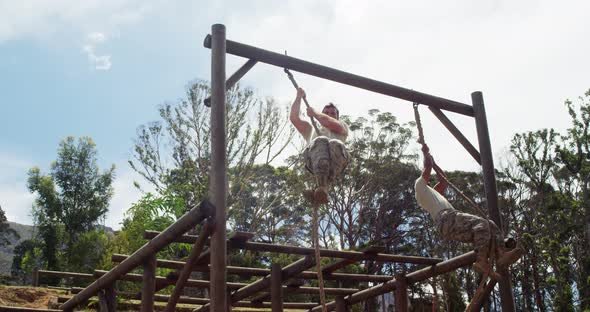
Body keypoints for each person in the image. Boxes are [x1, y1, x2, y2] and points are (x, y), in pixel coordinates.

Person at [415, 144, 514, 276]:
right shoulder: (420, 187)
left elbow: (443, 181)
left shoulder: (433, 193)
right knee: (482, 224)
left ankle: (501, 254)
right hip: (446, 219)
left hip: (447, 223)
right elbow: (427, 168)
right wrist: (426, 154)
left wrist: (435, 164)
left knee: (490, 225)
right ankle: (481, 260)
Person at [290, 87, 350, 203]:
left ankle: (322, 187)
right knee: (319, 140)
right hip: (315, 163)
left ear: (337, 117)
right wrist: (298, 97)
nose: (330, 115)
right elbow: (294, 119)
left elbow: (327, 122)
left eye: (333, 113)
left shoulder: (342, 127)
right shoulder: (311, 130)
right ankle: (320, 188)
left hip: (335, 162)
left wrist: (315, 113)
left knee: (332, 143)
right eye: (326, 113)